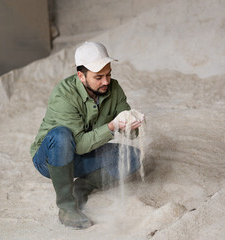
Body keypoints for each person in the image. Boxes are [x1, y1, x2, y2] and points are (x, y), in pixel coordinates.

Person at [30, 41, 143, 229]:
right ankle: (66, 207)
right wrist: (112, 126)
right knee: (61, 135)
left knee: (132, 157)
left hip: (83, 156)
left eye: (108, 74)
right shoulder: (63, 95)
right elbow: (80, 144)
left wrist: (132, 123)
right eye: (99, 77)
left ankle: (81, 187)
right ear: (81, 76)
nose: (106, 82)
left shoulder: (114, 88)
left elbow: (132, 133)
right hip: (49, 159)